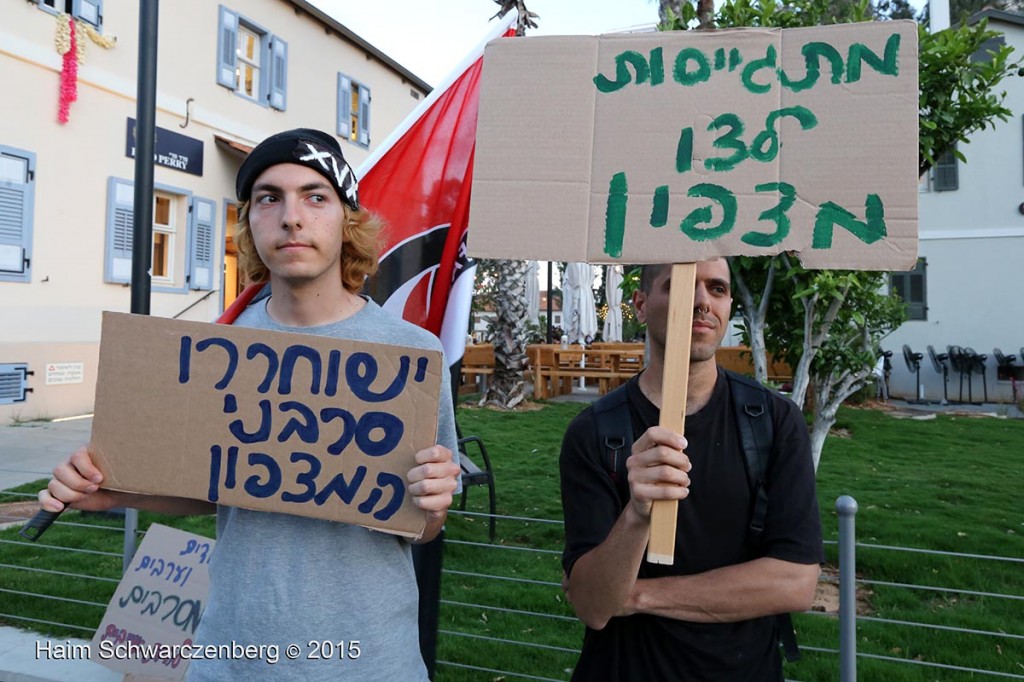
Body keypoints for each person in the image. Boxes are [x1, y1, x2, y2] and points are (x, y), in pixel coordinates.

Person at [37, 128, 461, 681]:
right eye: (269, 198)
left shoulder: (411, 354)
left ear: (346, 219)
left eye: (315, 196)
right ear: (249, 223)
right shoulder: (217, 349)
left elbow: (426, 527)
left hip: (370, 663)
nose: (291, 217)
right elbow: (215, 484)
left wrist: (432, 505)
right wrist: (110, 491)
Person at [559, 260, 822, 681]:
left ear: (729, 306)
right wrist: (637, 513)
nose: (701, 301)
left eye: (716, 289)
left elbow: (795, 582)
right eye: (680, 286)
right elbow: (593, 606)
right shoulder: (594, 432)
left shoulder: (772, 420)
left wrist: (639, 595)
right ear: (641, 306)